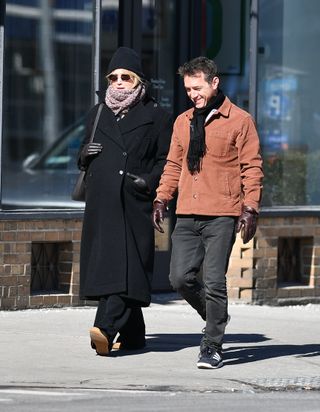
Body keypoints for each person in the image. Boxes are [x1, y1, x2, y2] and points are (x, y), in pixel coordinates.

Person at [152, 56, 263, 369]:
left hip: (222, 214)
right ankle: (217, 316)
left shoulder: (240, 121)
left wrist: (250, 206)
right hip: (187, 212)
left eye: (197, 87)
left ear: (215, 83)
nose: (192, 94)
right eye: (188, 88)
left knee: (214, 281)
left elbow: (252, 167)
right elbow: (173, 164)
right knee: (179, 278)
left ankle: (212, 345)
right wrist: (162, 198)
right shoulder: (182, 121)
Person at [78, 47, 172, 356]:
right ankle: (133, 335)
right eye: (113, 76)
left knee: (125, 265)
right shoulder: (98, 112)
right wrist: (84, 155)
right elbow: (81, 155)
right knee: (114, 264)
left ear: (138, 81)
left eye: (126, 76)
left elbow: (167, 161)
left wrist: (149, 181)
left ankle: (104, 328)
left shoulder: (156, 116)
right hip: (102, 203)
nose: (118, 82)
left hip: (134, 201)